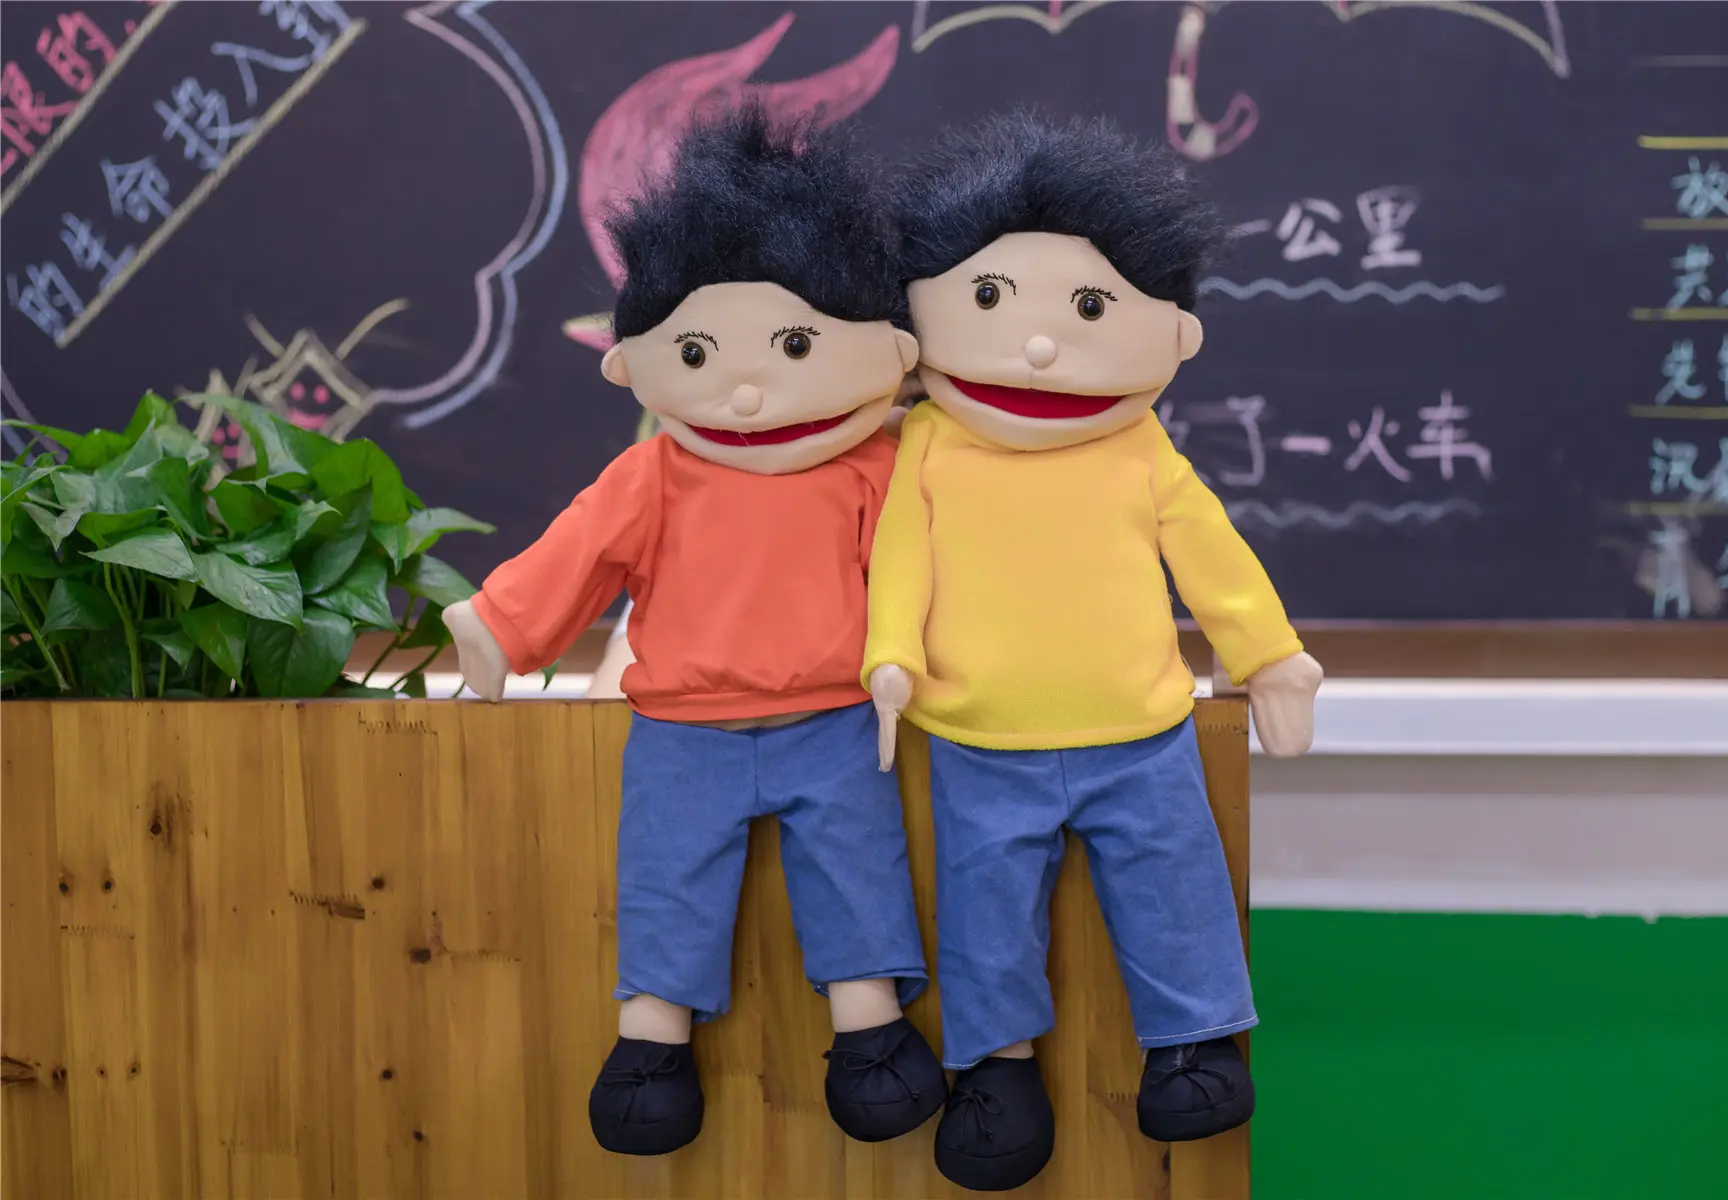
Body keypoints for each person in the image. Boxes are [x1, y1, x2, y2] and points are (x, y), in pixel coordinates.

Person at [446, 104, 944, 1157]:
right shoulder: (653, 476)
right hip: (681, 730)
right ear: (638, 360)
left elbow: (932, 567)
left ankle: (869, 1031)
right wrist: (499, 627)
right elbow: (578, 552)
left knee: (857, 866)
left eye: (795, 345)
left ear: (887, 354)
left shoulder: (878, 466)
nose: (749, 388)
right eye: (701, 351)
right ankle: (651, 1041)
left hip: (836, 719)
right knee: (668, 873)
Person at [864, 110, 1323, 1192]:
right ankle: (997, 1070)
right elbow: (899, 562)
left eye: (1086, 309)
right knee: (983, 909)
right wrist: (889, 658)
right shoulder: (927, 441)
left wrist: (1269, 658)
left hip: (1141, 727)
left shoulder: (1138, 446)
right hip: (977, 731)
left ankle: (1196, 1046)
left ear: (1176, 336)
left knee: (1174, 882)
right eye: (988, 299)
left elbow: (1211, 553)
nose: (1036, 347)